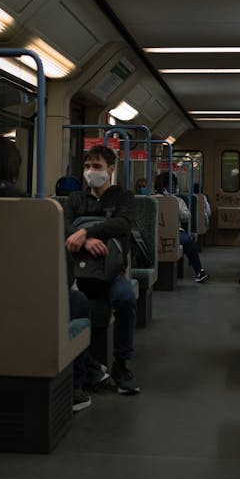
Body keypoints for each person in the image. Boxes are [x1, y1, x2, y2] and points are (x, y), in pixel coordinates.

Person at [0, 135, 106, 412]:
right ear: (12, 169)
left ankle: (92, 370)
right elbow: (54, 270)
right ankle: (76, 386)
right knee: (76, 302)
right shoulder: (27, 209)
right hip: (15, 303)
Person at [63, 144, 140, 395]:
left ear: (110, 169)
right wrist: (84, 241)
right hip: (76, 271)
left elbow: (123, 223)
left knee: (125, 298)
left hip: (110, 271)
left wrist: (87, 231)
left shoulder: (122, 197)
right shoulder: (75, 199)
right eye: (87, 166)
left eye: (96, 166)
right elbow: (62, 224)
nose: (90, 171)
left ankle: (121, 363)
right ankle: (90, 367)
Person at [154, 172, 208, 283]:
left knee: (187, 240)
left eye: (174, 185)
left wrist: (175, 206)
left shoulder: (177, 201)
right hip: (156, 231)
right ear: (163, 186)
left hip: (175, 231)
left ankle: (199, 272)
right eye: (171, 185)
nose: (173, 188)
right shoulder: (152, 200)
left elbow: (186, 217)